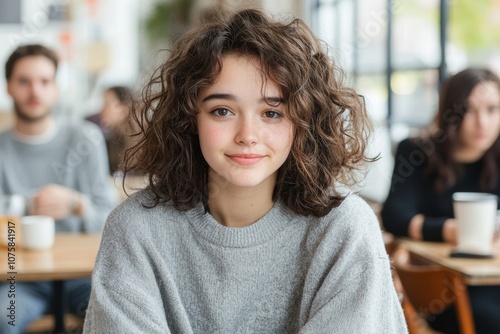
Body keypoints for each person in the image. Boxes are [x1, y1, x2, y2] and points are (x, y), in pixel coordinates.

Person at [83, 8, 407, 333]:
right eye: (222, 111)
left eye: (272, 113)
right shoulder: (135, 230)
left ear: (303, 122)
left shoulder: (344, 228)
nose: (247, 135)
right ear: (188, 119)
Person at [0, 44, 116, 333]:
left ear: (56, 87)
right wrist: (28, 205)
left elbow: (110, 218)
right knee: (5, 318)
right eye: (24, 81)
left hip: (83, 277)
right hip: (18, 280)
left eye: (44, 81)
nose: (34, 91)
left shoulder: (86, 139)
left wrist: (77, 202)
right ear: (9, 87)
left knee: (116, 317)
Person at [382, 68, 500, 333]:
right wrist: (449, 231)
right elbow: (395, 214)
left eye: (493, 109)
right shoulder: (418, 152)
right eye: (470, 110)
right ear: (451, 112)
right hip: (444, 292)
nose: (483, 123)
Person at [86, 86, 133, 174]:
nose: (101, 110)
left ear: (124, 108)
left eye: (107, 104)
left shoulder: (140, 141)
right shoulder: (108, 139)